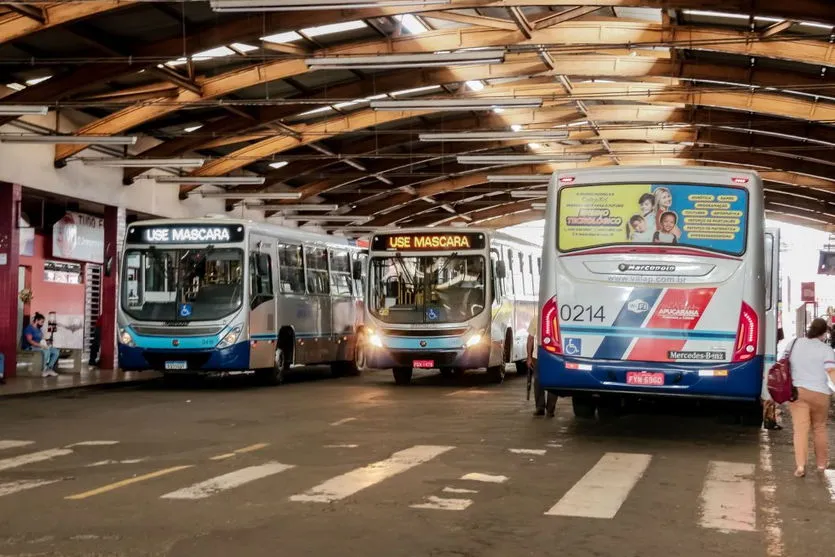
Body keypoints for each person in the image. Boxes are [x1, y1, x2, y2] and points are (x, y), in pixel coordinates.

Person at [785, 318, 835, 477]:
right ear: (824, 332)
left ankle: (800, 466)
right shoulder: (826, 350)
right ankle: (821, 464)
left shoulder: (794, 344)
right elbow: (831, 371)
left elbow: (782, 363)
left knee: (800, 429)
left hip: (798, 392)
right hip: (820, 394)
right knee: (819, 428)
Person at [528, 316, 556, 417]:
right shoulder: (536, 319)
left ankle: (550, 409)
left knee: (552, 382)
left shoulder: (556, 318)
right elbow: (530, 338)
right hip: (538, 356)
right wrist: (529, 357)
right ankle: (540, 407)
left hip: (554, 356)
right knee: (538, 382)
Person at [21, 312, 60, 377]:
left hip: (39, 346)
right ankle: (42, 370)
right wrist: (41, 346)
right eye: (42, 322)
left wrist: (47, 343)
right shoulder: (29, 328)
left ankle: (49, 369)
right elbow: (30, 341)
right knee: (46, 351)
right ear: (36, 320)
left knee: (56, 352)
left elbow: (41, 339)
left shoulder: (39, 329)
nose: (42, 324)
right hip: (30, 347)